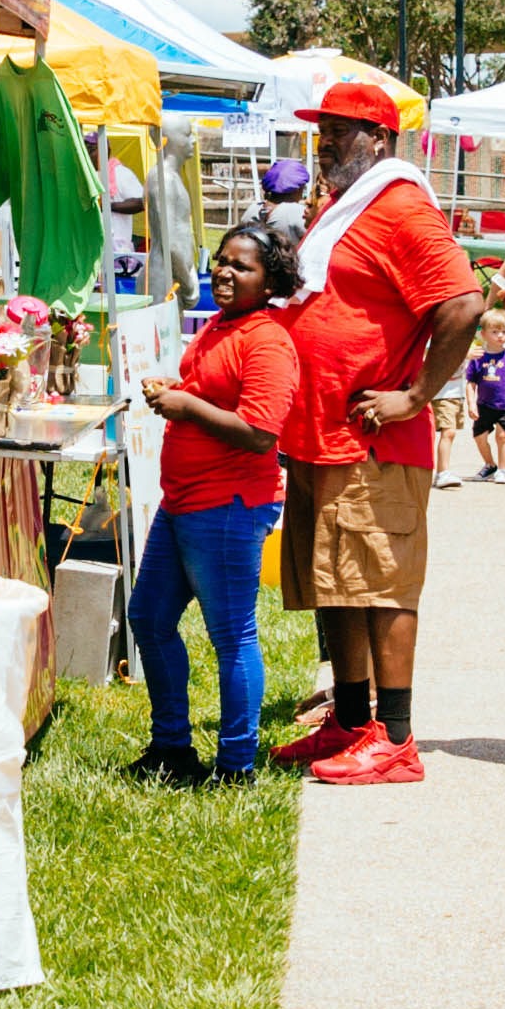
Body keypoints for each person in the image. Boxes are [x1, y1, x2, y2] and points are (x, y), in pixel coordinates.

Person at [280, 78, 482, 785]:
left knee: (384, 586)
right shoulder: (342, 209)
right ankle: (349, 719)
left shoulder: (402, 209)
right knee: (339, 584)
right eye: (323, 128)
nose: (326, 140)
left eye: (342, 129)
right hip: (321, 434)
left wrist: (416, 394)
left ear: (382, 140)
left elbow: (462, 304)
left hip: (375, 439)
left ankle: (395, 738)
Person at [127, 221, 303, 784]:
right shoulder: (220, 327)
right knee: (149, 618)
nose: (224, 271)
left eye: (242, 266)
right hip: (181, 502)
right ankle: (172, 748)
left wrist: (186, 407)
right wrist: (178, 390)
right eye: (222, 259)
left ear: (269, 279)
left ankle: (236, 764)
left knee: (231, 636)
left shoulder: (269, 340)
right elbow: (210, 390)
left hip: (228, 506)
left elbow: (260, 432)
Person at [461, 274, 505, 481]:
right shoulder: (478, 357)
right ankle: (490, 464)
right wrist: (471, 404)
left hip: (504, 405)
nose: (500, 335)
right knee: (479, 436)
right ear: (484, 333)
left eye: (504, 331)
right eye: (495, 331)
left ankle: (503, 469)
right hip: (484, 405)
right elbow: (471, 383)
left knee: (502, 435)